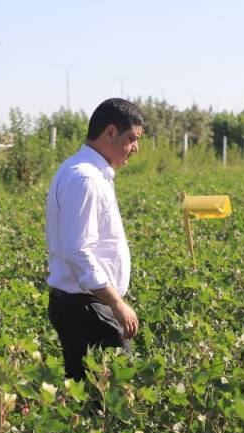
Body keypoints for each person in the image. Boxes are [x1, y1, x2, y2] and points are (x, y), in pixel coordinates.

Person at [45, 98, 144, 381]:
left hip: (85, 305)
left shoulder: (88, 173)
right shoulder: (84, 179)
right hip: (85, 307)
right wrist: (116, 304)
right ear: (110, 132)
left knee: (92, 392)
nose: (136, 147)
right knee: (119, 389)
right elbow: (78, 251)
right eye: (132, 138)